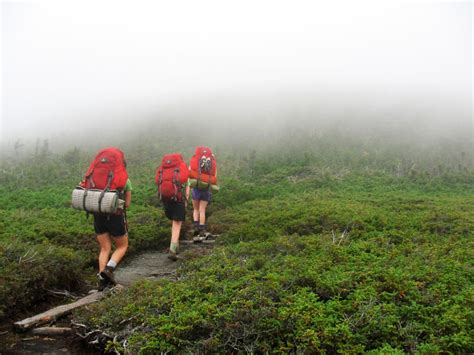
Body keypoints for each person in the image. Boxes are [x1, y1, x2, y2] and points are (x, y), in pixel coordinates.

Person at [95, 178, 132, 289]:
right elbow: (127, 204)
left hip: (97, 214)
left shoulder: (97, 178)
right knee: (122, 246)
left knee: (104, 248)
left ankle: (102, 281)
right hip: (115, 216)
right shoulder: (125, 180)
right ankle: (108, 269)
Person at [163, 181, 190, 260]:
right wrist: (186, 202)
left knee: (174, 224)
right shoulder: (183, 174)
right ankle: (172, 250)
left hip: (166, 201)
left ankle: (176, 246)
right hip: (179, 200)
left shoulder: (167, 173)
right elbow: (187, 192)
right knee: (177, 226)